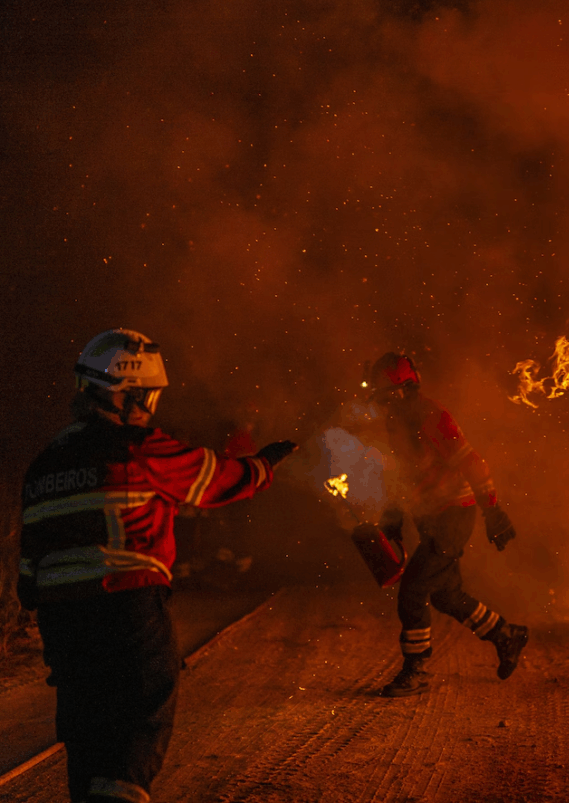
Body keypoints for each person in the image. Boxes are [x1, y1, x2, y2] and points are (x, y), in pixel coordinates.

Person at [17, 329, 297, 803]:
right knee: (138, 723)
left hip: (61, 621)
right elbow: (217, 480)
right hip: (127, 606)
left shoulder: (46, 462)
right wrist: (264, 466)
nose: (150, 408)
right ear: (127, 393)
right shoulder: (140, 448)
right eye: (148, 397)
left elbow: (29, 565)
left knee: (87, 737)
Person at [363, 352, 527, 698]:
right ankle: (506, 634)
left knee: (413, 591)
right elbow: (405, 474)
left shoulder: (430, 416)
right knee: (446, 595)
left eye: (385, 395)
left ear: (404, 389)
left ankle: (416, 669)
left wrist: (492, 510)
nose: (381, 403)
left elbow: (473, 463)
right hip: (432, 515)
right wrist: (393, 517)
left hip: (453, 513)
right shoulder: (398, 421)